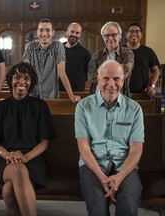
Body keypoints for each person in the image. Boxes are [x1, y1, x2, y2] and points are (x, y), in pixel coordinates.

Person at [0, 62, 57, 216]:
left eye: (27, 78)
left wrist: (25, 157)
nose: (22, 82)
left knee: (8, 190)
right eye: (17, 77)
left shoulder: (40, 106)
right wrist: (8, 155)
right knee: (17, 169)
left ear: (31, 83)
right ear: (10, 80)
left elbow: (44, 142)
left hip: (33, 159)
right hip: (5, 160)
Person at [75, 60, 144, 216]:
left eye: (116, 79)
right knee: (98, 208)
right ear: (98, 80)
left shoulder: (134, 109)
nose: (111, 84)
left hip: (124, 166)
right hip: (93, 165)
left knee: (128, 205)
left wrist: (118, 178)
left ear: (123, 80)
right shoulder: (83, 107)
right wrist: (103, 178)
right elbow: (84, 148)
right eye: (106, 78)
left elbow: (136, 150)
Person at [22, 18, 80, 102]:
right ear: (37, 32)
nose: (44, 34)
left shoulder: (58, 47)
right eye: (41, 30)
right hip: (32, 95)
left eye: (48, 30)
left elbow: (62, 73)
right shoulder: (30, 46)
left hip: (51, 97)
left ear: (53, 32)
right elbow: (25, 71)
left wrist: (71, 95)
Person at [88, 21, 134, 97]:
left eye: (114, 35)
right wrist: (117, 70)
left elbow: (125, 72)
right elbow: (91, 76)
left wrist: (101, 73)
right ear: (103, 37)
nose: (110, 38)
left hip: (121, 96)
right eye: (106, 35)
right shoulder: (97, 54)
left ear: (120, 36)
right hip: (97, 95)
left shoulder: (127, 53)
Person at [125, 22, 160, 97]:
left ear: (141, 35)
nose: (134, 34)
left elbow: (155, 71)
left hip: (143, 94)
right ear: (126, 35)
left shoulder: (148, 51)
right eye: (131, 31)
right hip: (122, 94)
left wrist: (151, 86)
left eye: (137, 31)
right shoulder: (120, 51)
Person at [59, 22, 91, 92]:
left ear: (80, 35)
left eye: (77, 33)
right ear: (67, 32)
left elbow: (87, 73)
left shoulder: (85, 53)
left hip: (77, 92)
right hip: (58, 91)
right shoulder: (58, 49)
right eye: (72, 31)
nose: (74, 34)